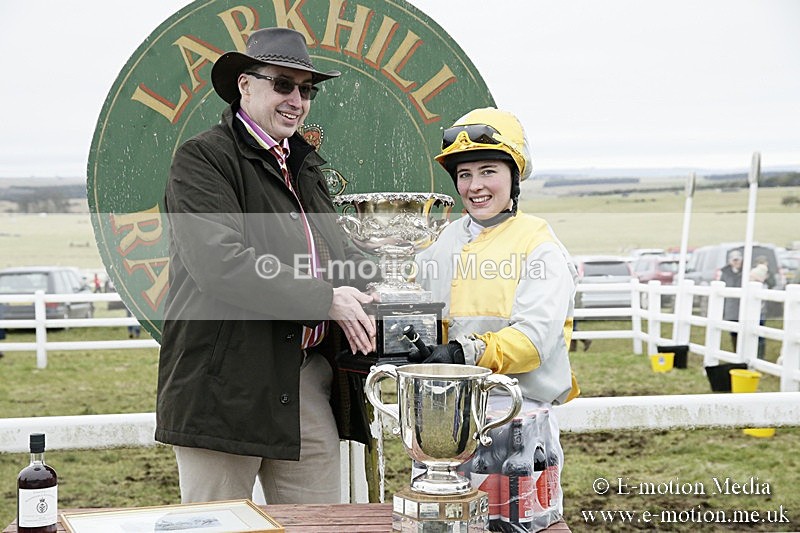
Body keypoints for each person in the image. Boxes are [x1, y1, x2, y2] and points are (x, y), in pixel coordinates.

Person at [156, 27, 378, 505]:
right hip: (223, 389)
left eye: (306, 90)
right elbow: (220, 263)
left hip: (306, 381)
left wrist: (381, 284)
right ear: (245, 85)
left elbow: (336, 254)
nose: (296, 100)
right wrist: (325, 300)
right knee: (217, 525)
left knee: (319, 524)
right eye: (283, 85)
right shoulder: (202, 158)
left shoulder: (304, 166)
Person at [412, 109, 580, 520]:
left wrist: (462, 353)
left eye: (488, 171)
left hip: (517, 419)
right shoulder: (440, 241)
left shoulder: (540, 246)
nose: (475, 186)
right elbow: (413, 308)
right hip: (443, 419)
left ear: (514, 177)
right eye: (464, 174)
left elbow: (534, 341)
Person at [749, 255, 774, 359]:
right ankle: (758, 355)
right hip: (757, 305)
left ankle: (758, 354)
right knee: (758, 329)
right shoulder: (757, 273)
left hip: (760, 306)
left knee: (758, 329)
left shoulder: (754, 272)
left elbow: (772, 283)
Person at [718, 249, 743, 351]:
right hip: (731, 306)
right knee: (733, 331)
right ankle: (736, 351)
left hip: (742, 306)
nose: (736, 262)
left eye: (738, 260)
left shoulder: (746, 271)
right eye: (734, 260)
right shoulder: (725, 273)